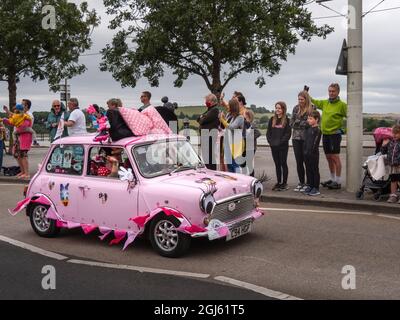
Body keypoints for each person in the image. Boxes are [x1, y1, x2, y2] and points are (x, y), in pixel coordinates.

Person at [310, 83, 347, 190]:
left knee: (335, 157)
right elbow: (314, 101)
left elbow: (352, 117)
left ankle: (338, 182)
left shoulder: (342, 105)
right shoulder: (325, 103)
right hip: (325, 134)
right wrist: (306, 94)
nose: (331, 93)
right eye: (329, 91)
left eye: (333, 91)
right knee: (328, 158)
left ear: (338, 92)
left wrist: (344, 130)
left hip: (335, 135)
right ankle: (332, 179)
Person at [290, 91, 316, 192]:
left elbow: (310, 123)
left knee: (307, 161)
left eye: (302, 99)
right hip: (296, 138)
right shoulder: (295, 108)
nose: (300, 101)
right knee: (299, 161)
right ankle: (301, 182)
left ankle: (309, 183)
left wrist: (299, 123)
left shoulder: (312, 108)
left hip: (307, 138)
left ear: (306, 99)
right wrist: (301, 123)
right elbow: (291, 123)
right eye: (299, 99)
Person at [2, 104, 32, 179]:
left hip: (24, 139)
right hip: (18, 139)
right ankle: (22, 171)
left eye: (15, 109)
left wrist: (16, 131)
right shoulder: (17, 117)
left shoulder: (26, 117)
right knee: (18, 155)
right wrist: (4, 120)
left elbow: (23, 127)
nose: (14, 111)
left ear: (18, 110)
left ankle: (27, 173)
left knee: (23, 155)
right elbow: (11, 121)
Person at [267, 102, 292, 191]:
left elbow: (288, 134)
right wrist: (271, 142)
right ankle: (279, 182)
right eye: (276, 108)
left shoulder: (287, 120)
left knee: (283, 163)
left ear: (283, 109)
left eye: (279, 108)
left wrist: (280, 142)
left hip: (283, 147)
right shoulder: (272, 119)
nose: (277, 110)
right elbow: (268, 133)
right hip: (274, 147)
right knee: (277, 164)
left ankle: (284, 183)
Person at [219, 99, 245, 173]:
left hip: (236, 143)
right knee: (229, 164)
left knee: (235, 164)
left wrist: (222, 120)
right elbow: (225, 127)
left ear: (232, 107)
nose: (227, 107)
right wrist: (223, 118)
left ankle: (239, 180)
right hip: (227, 142)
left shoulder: (240, 117)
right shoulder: (229, 115)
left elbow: (232, 127)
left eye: (229, 106)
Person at [197, 94, 220, 170]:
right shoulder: (209, 110)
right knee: (206, 155)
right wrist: (201, 117)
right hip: (205, 135)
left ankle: (212, 171)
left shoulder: (214, 110)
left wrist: (202, 117)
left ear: (213, 102)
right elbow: (198, 118)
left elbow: (202, 120)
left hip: (210, 135)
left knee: (209, 155)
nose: (206, 102)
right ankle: (209, 169)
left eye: (207, 101)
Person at [303, 111, 322, 196]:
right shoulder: (309, 129)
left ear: (316, 119)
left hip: (313, 154)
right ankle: (310, 185)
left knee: (314, 170)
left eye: (310, 118)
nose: (308, 120)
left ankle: (316, 187)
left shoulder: (317, 130)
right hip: (306, 153)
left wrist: (311, 152)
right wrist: (305, 151)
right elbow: (306, 142)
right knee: (308, 170)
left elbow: (315, 143)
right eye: (308, 118)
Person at [382, 125, 400, 204]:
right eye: (393, 133)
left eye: (397, 133)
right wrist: (383, 145)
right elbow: (383, 152)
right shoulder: (391, 142)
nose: (394, 135)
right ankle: (393, 195)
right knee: (393, 180)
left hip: (399, 165)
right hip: (392, 165)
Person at [243, 109, 261, 176]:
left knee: (249, 164)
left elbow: (258, 133)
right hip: (244, 147)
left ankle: (251, 178)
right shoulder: (244, 123)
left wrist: (250, 138)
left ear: (248, 115)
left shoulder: (252, 124)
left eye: (244, 114)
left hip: (251, 147)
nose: (243, 115)